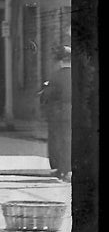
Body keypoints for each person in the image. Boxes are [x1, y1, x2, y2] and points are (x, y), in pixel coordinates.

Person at [39, 45, 72, 180]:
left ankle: (61, 169)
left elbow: (47, 95)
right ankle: (68, 169)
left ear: (60, 61)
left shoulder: (56, 76)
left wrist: (43, 92)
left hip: (59, 114)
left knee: (58, 141)